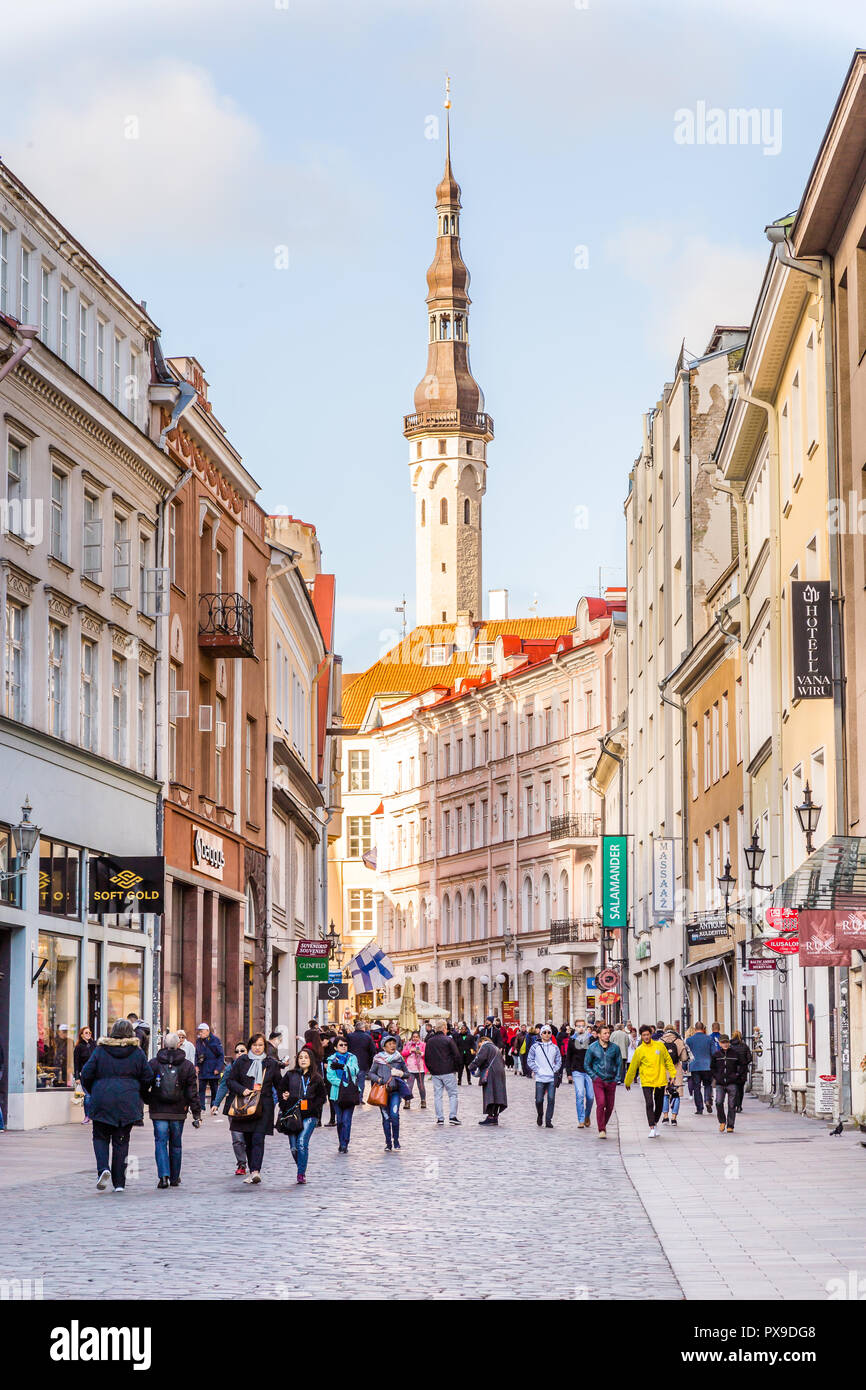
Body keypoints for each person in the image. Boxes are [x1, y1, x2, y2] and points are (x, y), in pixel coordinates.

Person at [80, 1019, 151, 1193]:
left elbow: (86, 1073)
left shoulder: (100, 1050)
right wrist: (138, 1091)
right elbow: (147, 1076)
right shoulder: (137, 1052)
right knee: (121, 1141)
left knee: (100, 1136)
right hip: (127, 1100)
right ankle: (119, 1182)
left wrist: (93, 1090)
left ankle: (103, 1168)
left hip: (102, 1098)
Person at [224, 1033, 282, 1184]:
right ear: (250, 1046)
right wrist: (242, 1089)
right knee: (248, 1140)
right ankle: (252, 1170)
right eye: (255, 1045)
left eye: (260, 1045)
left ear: (265, 1046)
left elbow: (279, 1084)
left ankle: (256, 1171)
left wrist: (286, 1098)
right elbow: (230, 1081)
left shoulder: (271, 1063)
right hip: (246, 1106)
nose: (257, 1048)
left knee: (258, 1137)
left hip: (264, 1106)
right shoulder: (242, 1061)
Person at [147, 1030, 201, 1188]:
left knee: (160, 1142)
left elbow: (144, 1084)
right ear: (179, 1044)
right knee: (176, 1144)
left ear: (164, 1044)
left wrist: (148, 1100)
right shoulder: (187, 1065)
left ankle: (163, 1176)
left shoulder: (154, 1063)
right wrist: (196, 1113)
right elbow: (192, 1091)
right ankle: (175, 1176)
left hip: (158, 1110)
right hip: (178, 1110)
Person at [279, 1048, 327, 1184]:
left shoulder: (317, 1078)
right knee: (294, 1148)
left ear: (311, 1060)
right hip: (292, 1115)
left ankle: (301, 1174)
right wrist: (284, 1100)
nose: (303, 1060)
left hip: (310, 1116)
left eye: (306, 1057)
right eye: (301, 1057)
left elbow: (322, 1097)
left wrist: (312, 1107)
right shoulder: (290, 1075)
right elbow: (281, 1091)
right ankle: (301, 1165)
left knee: (301, 1143)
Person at [624, 1024, 677, 1137]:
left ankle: (655, 1122)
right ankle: (651, 1126)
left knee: (659, 1104)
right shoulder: (639, 1050)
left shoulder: (659, 1046)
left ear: (651, 1034)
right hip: (646, 1080)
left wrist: (672, 1074)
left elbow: (668, 1060)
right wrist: (627, 1081)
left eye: (648, 1034)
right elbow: (633, 1066)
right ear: (641, 1036)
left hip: (660, 1079)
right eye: (644, 1035)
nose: (646, 1037)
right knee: (649, 1103)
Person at [368, 1035, 410, 1151]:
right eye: (390, 1043)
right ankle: (388, 1143)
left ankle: (396, 1140)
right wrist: (379, 1080)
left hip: (395, 1092)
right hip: (382, 1093)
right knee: (386, 1118)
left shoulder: (399, 1058)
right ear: (384, 1046)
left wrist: (400, 1073)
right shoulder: (378, 1059)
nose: (393, 1045)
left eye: (394, 1043)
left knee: (395, 1115)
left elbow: (407, 1073)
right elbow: (370, 1074)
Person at [213, 1043, 250, 1174]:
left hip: (250, 1105)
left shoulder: (254, 1066)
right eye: (237, 1051)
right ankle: (241, 1164)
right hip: (233, 1106)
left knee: (249, 1137)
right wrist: (216, 1103)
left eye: (242, 1050)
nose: (239, 1053)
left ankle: (253, 1162)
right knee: (237, 1137)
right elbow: (223, 1086)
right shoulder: (230, 1068)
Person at [584, 1024, 623, 1138]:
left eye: (608, 1033)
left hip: (611, 1080)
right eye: (605, 1033)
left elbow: (619, 1064)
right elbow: (587, 1064)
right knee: (601, 1103)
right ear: (599, 1035)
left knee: (610, 1107)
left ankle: (603, 1125)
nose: (607, 1035)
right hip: (599, 1080)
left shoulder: (615, 1048)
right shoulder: (592, 1047)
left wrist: (616, 1079)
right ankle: (601, 1129)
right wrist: (594, 1077)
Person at [325, 1035, 361, 1153]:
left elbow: (356, 1070)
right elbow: (330, 1076)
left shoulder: (352, 1057)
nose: (344, 1047)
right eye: (341, 1045)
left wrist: (343, 1067)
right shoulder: (331, 1059)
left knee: (347, 1120)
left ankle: (345, 1143)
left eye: (345, 1045)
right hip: (336, 1094)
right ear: (335, 1047)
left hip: (350, 1092)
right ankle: (341, 1142)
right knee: (340, 1120)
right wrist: (341, 1084)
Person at [424, 1020, 462, 1125]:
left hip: (436, 1072)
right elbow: (457, 1055)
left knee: (438, 1095)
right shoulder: (448, 1040)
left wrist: (431, 1069)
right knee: (453, 1094)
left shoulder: (430, 1041)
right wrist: (457, 1068)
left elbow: (427, 1057)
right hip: (448, 1070)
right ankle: (453, 1116)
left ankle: (440, 1118)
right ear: (444, 1028)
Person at [527, 1025, 562, 1128]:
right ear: (541, 1034)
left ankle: (548, 1120)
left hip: (551, 1077)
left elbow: (559, 1060)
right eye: (545, 1032)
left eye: (549, 1032)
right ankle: (540, 1114)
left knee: (551, 1099)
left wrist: (555, 1069)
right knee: (539, 1100)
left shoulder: (554, 1047)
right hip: (540, 1077)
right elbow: (530, 1059)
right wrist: (537, 1070)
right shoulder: (535, 1047)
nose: (547, 1034)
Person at [470, 1036, 508, 1124]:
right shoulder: (495, 1048)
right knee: (498, 1095)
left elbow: (479, 1058)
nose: (479, 1046)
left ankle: (490, 1117)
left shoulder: (485, 1046)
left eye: (479, 1043)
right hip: (500, 1073)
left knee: (490, 1094)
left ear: (482, 1041)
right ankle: (495, 1117)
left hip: (491, 1073)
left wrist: (471, 1066)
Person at [711, 1034, 745, 1133]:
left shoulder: (734, 1054)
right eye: (723, 1042)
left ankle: (730, 1125)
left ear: (729, 1043)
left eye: (726, 1042)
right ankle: (722, 1121)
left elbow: (741, 1065)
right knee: (718, 1102)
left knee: (732, 1104)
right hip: (720, 1083)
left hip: (732, 1082)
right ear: (720, 1044)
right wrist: (716, 1076)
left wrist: (737, 1075)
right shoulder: (716, 1055)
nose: (725, 1044)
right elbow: (712, 1067)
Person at [685, 1022, 717, 1115]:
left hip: (695, 1066)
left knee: (697, 1087)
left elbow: (686, 1054)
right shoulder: (709, 1039)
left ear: (695, 1029)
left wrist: (684, 1066)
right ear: (703, 1028)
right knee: (707, 1085)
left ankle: (699, 1108)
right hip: (707, 1066)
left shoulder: (689, 1040)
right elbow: (714, 1053)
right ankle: (707, 1100)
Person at [567, 1022, 594, 1128]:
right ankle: (581, 1119)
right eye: (578, 1026)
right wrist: (569, 1073)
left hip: (589, 1071)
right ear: (575, 1027)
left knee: (590, 1097)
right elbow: (568, 1056)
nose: (581, 1028)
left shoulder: (591, 1039)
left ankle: (587, 1115)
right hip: (577, 1070)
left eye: (582, 1026)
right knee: (580, 1094)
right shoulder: (572, 1040)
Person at [660, 1027, 688, 1127]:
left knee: (665, 1094)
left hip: (664, 1070)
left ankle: (665, 1116)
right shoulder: (679, 1041)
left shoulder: (660, 1041)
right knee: (676, 1094)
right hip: (676, 1070)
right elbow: (684, 1058)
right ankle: (674, 1118)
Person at [195, 1023, 224, 1114]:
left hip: (213, 1069)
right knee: (201, 1090)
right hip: (202, 1068)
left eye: (202, 1031)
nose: (200, 1033)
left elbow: (221, 1056)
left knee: (214, 1089)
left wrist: (218, 1069)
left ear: (208, 1031)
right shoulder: (198, 1041)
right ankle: (202, 1107)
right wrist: (196, 1065)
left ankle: (214, 1107)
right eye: (199, 1031)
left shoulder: (215, 1040)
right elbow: (196, 1054)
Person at [346, 1018, 376, 1103]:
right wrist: (370, 1064)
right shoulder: (368, 1037)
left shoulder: (349, 1036)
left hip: (350, 1062)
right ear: (363, 1028)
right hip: (363, 1063)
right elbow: (372, 1051)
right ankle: (359, 1098)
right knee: (360, 1082)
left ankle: (351, 1097)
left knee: (351, 1080)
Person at [73, 1026, 96, 1123]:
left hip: (96, 1075)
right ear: (81, 1035)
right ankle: (87, 1116)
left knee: (95, 1096)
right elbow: (76, 1063)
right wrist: (77, 1077)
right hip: (85, 1075)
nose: (88, 1035)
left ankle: (94, 1116)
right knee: (87, 1096)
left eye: (90, 1033)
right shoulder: (79, 1047)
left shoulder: (94, 1045)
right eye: (86, 1033)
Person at [401, 1031, 428, 1108]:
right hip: (410, 1068)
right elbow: (403, 1053)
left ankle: (423, 1101)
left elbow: (426, 1053)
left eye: (416, 1037)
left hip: (420, 1068)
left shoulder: (423, 1044)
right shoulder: (408, 1044)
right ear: (412, 1037)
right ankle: (407, 1102)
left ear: (419, 1037)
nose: (415, 1038)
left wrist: (420, 1053)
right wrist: (410, 1051)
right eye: (414, 1037)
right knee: (409, 1086)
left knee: (421, 1086)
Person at [729, 1030, 752, 1112]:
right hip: (743, 1070)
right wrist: (744, 1064)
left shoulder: (730, 1047)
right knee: (740, 1089)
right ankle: (739, 1105)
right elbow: (750, 1058)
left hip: (733, 1070)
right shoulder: (744, 1046)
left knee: (733, 1088)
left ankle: (734, 1104)